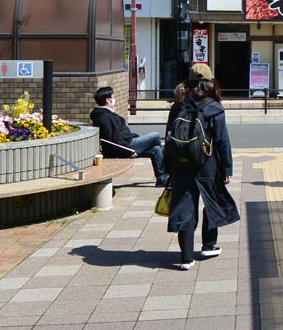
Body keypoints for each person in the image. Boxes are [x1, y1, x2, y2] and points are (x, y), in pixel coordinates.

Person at [165, 63, 240, 271]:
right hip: (208, 164)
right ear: (210, 82)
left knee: (185, 207)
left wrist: (167, 167)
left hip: (181, 165)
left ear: (188, 81)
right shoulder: (213, 107)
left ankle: (186, 258)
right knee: (212, 201)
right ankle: (209, 245)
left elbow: (169, 136)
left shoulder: (178, 105)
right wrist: (227, 168)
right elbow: (223, 141)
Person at [90, 86, 168, 187]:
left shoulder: (106, 114)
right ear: (108, 100)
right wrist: (129, 151)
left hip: (127, 143)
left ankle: (162, 178)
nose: (114, 99)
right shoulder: (105, 117)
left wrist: (112, 112)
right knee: (156, 136)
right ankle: (168, 170)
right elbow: (112, 139)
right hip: (127, 146)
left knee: (156, 149)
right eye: (112, 97)